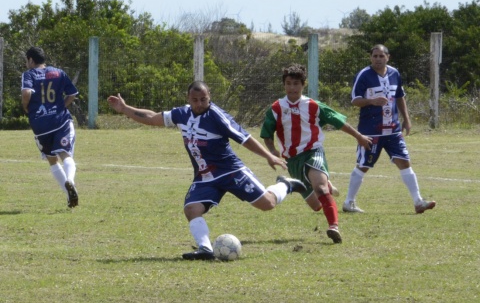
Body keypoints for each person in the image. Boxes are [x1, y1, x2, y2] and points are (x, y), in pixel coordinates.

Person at [107, 81, 307, 260]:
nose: (199, 103)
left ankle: (285, 185)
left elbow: (244, 138)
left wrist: (269, 156)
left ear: (209, 97)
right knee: (191, 209)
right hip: (205, 176)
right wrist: (125, 109)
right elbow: (151, 117)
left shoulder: (217, 116)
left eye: (203, 99)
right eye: (195, 100)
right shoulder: (181, 114)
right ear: (188, 99)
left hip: (230, 171)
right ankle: (205, 249)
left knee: (267, 204)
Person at [260, 64, 372, 244]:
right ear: (284, 85)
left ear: (303, 85)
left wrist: (358, 136)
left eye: (296, 84)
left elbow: (337, 121)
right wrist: (272, 152)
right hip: (292, 160)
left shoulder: (313, 106)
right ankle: (318, 184)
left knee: (320, 189)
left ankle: (333, 226)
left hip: (313, 151)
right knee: (316, 205)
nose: (292, 88)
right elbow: (266, 134)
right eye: (288, 84)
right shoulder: (276, 108)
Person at [343, 44, 436, 214]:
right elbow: (355, 100)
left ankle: (418, 201)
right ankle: (349, 202)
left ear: (388, 57)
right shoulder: (364, 75)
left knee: (405, 162)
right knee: (364, 165)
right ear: (371, 58)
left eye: (381, 56)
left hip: (393, 130)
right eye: (374, 56)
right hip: (371, 131)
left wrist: (406, 120)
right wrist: (371, 101)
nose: (377, 59)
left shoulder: (394, 73)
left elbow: (400, 97)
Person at [21, 46, 79, 208]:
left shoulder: (29, 74)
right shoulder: (59, 72)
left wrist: (26, 108)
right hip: (60, 120)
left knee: (52, 161)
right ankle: (70, 181)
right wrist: (62, 106)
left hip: (40, 124)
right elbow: (72, 93)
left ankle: (69, 196)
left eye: (27, 60)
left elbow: (26, 93)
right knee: (65, 154)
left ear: (31, 60)